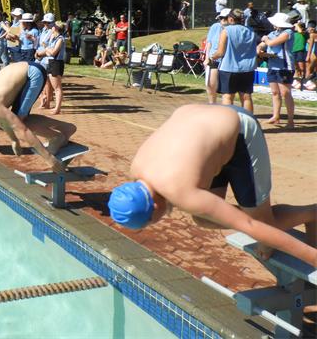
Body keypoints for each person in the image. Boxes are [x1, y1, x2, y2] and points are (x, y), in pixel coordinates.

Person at [108, 104, 317, 268]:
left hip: (239, 129)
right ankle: (268, 230)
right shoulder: (137, 170)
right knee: (204, 218)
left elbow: (250, 227)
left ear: (154, 208)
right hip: (204, 119)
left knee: (261, 225)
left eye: (153, 221)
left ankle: (312, 213)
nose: (162, 219)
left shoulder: (181, 191)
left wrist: (311, 258)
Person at [0, 62, 75, 173]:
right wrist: (14, 140)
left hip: (33, 74)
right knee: (20, 119)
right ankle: (66, 128)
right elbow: (3, 121)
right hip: (27, 69)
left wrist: (49, 159)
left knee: (21, 123)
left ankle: (57, 137)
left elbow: (22, 130)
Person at [212, 8, 258, 113]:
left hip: (229, 68)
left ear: (231, 19)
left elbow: (220, 52)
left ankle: (229, 123)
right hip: (247, 68)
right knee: (246, 97)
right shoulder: (251, 31)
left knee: (228, 96)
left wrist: (210, 58)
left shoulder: (226, 31)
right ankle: (249, 124)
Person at [259, 13, 295, 128]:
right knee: (275, 93)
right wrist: (259, 49)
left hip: (284, 66)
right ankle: (276, 117)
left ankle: (290, 120)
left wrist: (265, 39)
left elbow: (271, 42)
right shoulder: (272, 33)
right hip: (273, 65)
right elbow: (263, 44)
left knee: (285, 93)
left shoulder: (288, 33)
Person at [38, 21, 66, 114]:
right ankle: (54, 107)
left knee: (57, 88)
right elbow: (48, 51)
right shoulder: (53, 38)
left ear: (56, 28)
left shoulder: (60, 38)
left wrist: (46, 48)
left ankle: (57, 108)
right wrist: (47, 50)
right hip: (51, 61)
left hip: (56, 63)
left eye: (53, 26)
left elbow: (53, 52)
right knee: (53, 86)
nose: (51, 27)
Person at [204, 8, 230, 105]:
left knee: (226, 90)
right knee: (210, 85)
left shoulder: (231, 30)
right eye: (221, 18)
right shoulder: (215, 26)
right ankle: (212, 106)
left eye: (225, 18)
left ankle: (226, 110)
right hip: (213, 59)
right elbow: (209, 42)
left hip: (226, 61)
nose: (222, 20)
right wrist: (206, 57)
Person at [291, 22, 307, 89]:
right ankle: (297, 80)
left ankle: (302, 80)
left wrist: (297, 25)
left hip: (301, 51)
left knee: (301, 67)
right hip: (293, 51)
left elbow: (300, 31)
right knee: (295, 66)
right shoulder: (293, 33)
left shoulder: (304, 33)